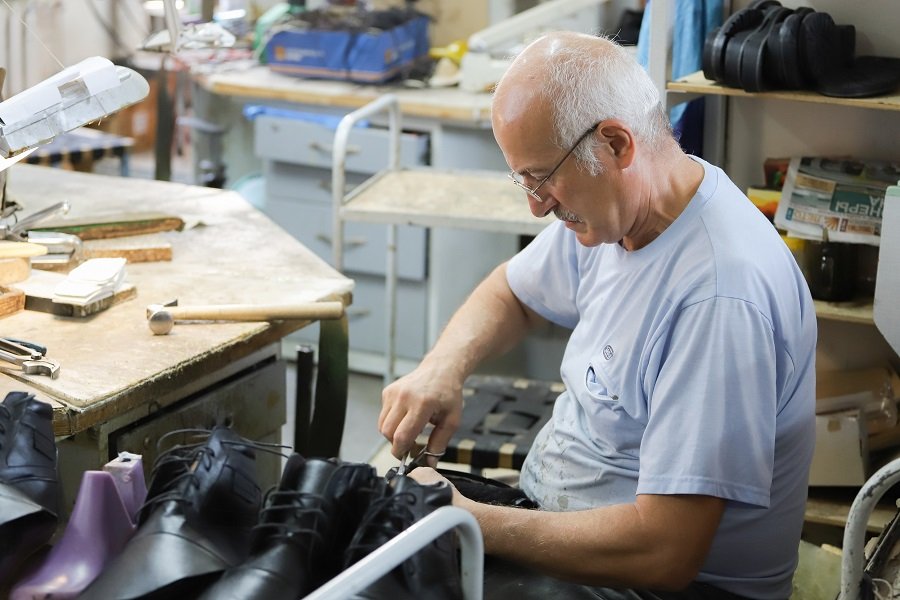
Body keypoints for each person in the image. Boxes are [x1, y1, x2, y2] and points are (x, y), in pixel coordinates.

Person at [378, 31, 816, 600]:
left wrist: (464, 516)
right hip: (565, 526)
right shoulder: (624, 209)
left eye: (540, 179)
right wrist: (443, 367)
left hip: (667, 586)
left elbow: (665, 553)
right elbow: (510, 292)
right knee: (364, 532)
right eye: (523, 180)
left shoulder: (718, 298)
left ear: (616, 144)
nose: (535, 206)